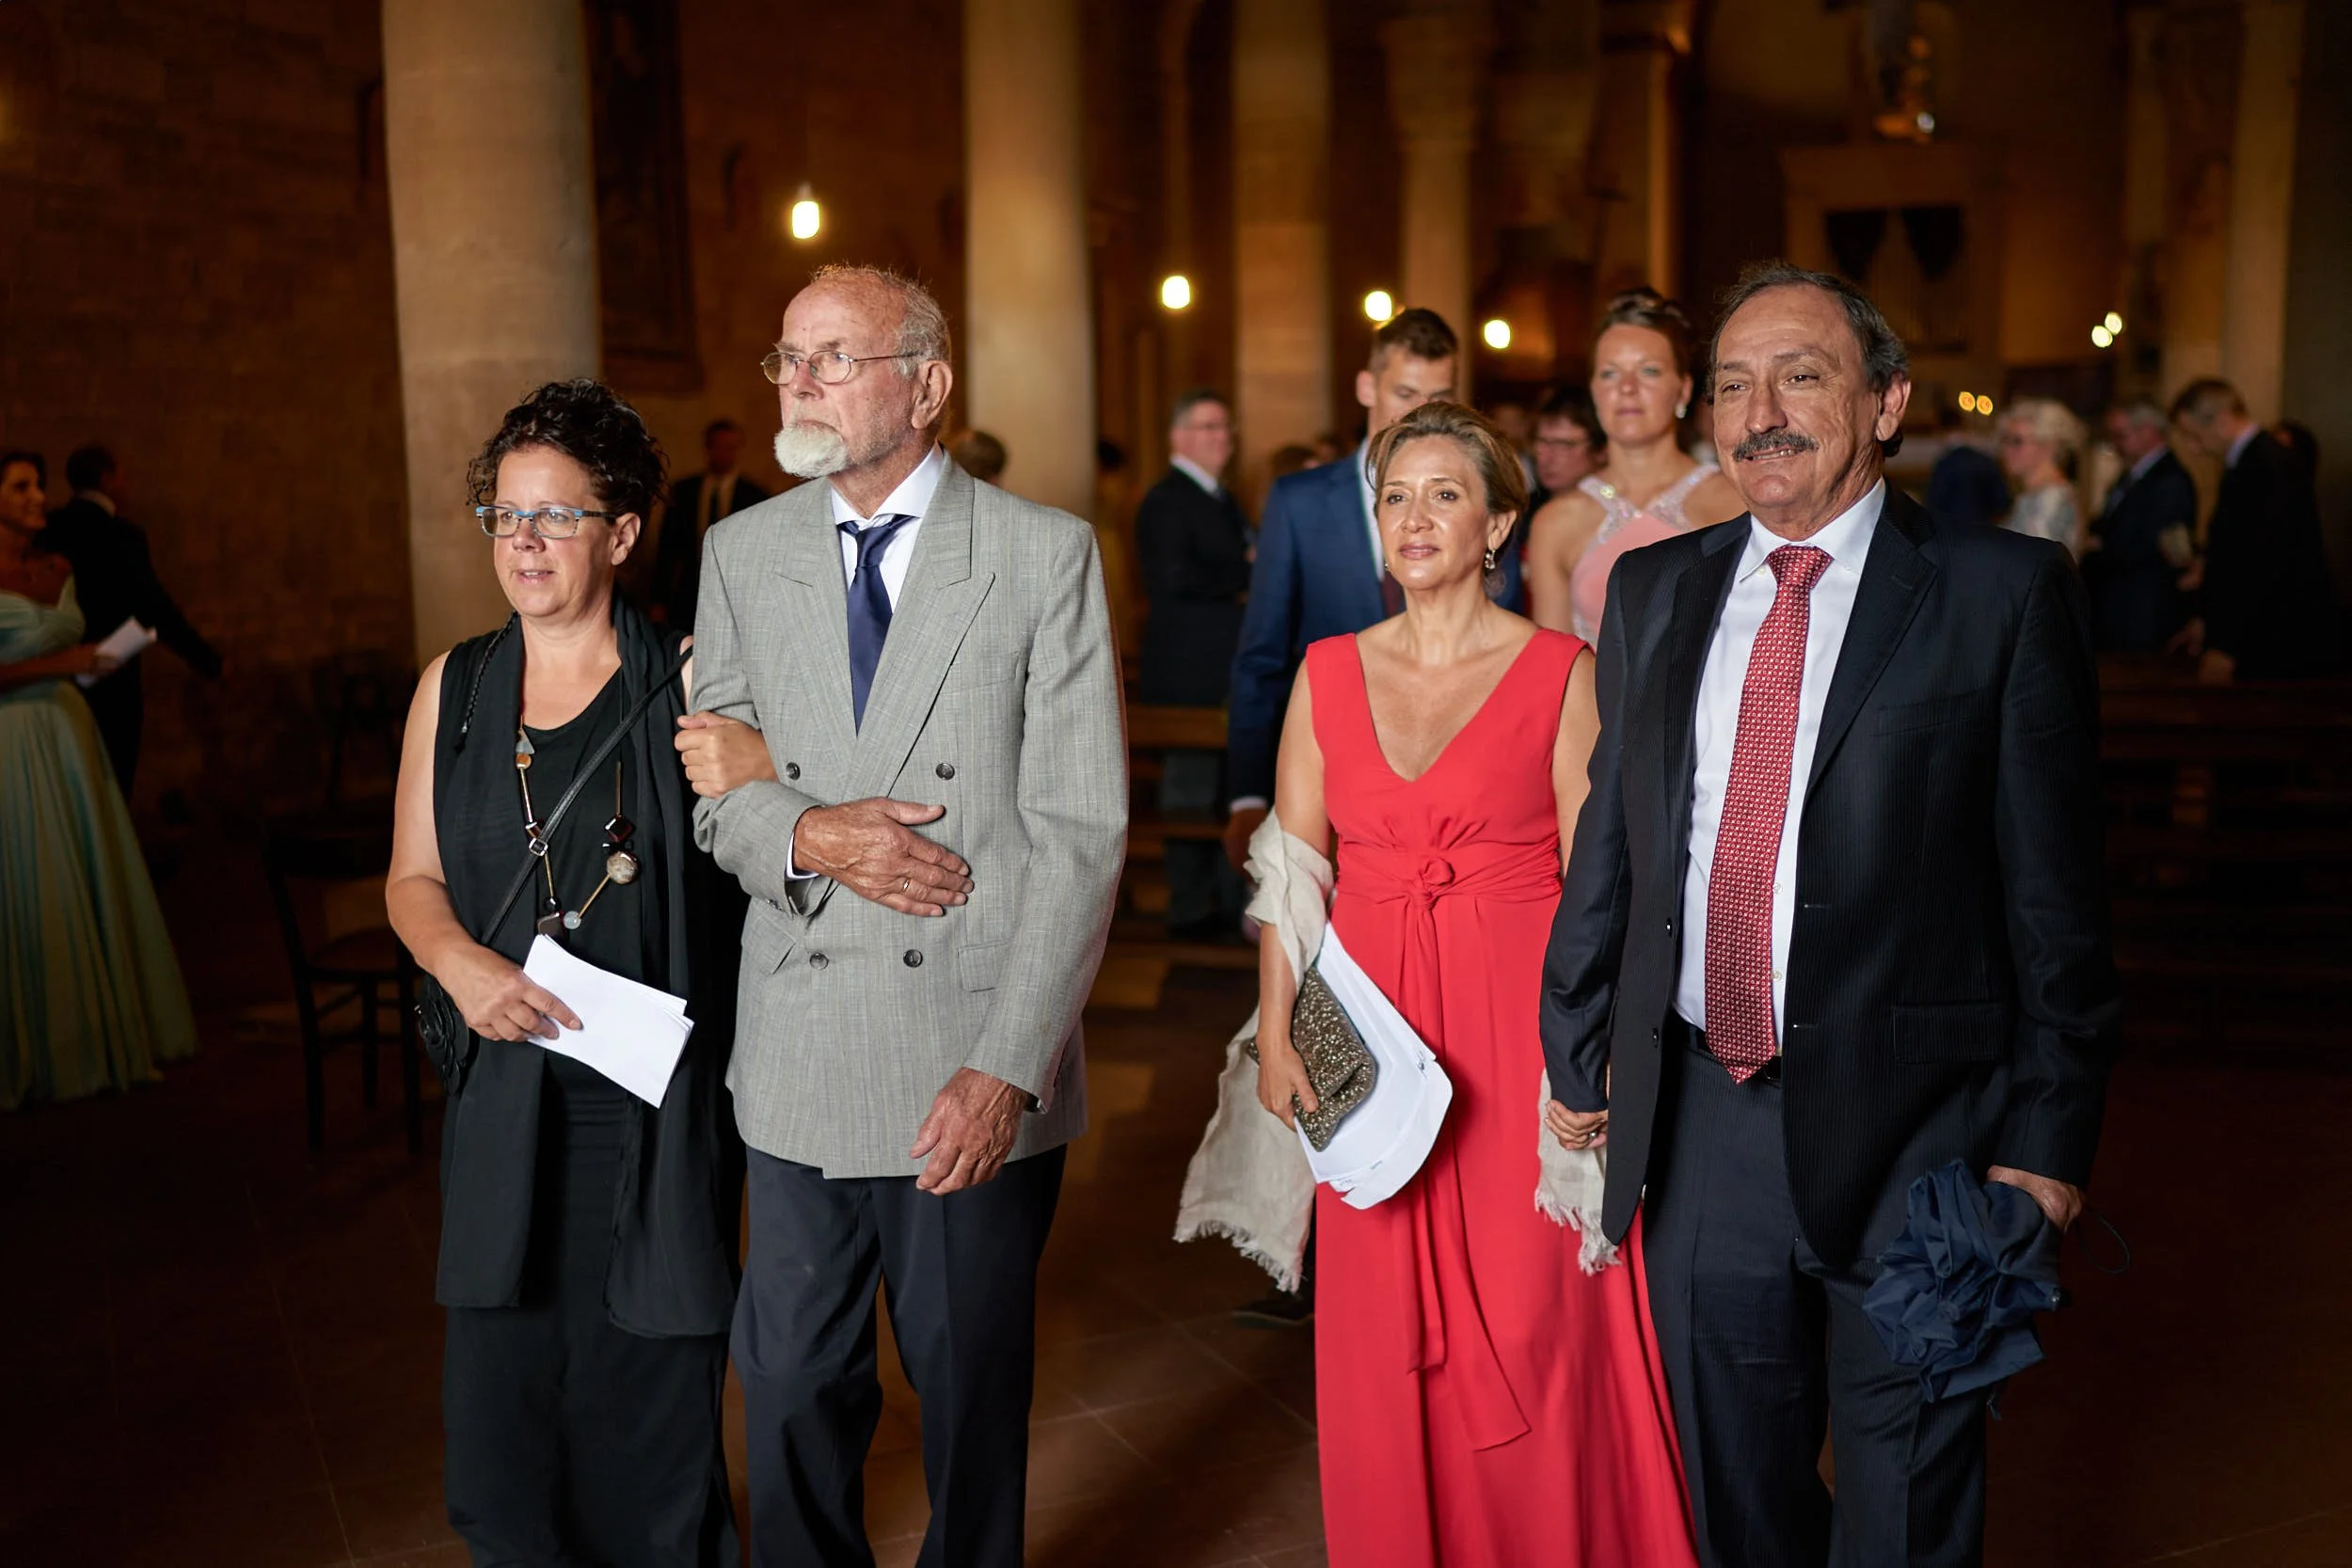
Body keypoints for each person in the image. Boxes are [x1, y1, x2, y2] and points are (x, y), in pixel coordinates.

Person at [1542, 261, 2120, 1568]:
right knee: (1732, 1505)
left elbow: (2060, 903)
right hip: (1704, 1124)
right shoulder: (1655, 589)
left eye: (1801, 376)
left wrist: (2047, 1145)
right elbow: (1617, 841)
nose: (1762, 414)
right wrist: (1575, 1049)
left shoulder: (2001, 591)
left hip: (1927, 1135)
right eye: (1734, 385)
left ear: (1887, 402)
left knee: (1906, 1513)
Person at [687, 263, 1124, 1568]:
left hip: (967, 1044)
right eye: (787, 357)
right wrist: (811, 831)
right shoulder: (741, 550)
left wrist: (1007, 1066)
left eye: (833, 356)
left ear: (926, 385)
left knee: (969, 1391)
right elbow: (716, 798)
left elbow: (1080, 832)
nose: (798, 382)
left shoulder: (1041, 552)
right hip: (800, 1044)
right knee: (791, 1390)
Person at [1252, 401, 1694, 1568]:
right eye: (1395, 496)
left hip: (1517, 1025)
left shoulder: (1559, 671)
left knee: (1535, 1307)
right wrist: (1275, 1030)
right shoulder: (1325, 670)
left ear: (1498, 522)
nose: (1413, 517)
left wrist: (1589, 1055)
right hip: (1371, 1033)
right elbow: (1293, 870)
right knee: (1382, 1324)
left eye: (1444, 494)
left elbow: (1600, 881)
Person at [386, 382, 759, 1566]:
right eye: (506, 515)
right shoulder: (452, 687)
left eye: (557, 515)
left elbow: (762, 863)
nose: (526, 541)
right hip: (505, 1092)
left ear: (623, 531)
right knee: (502, 1427)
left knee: (649, 1420)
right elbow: (411, 877)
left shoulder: (691, 681)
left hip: (651, 1107)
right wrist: (461, 965)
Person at [1224, 308, 1524, 874]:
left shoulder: (1480, 501)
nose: (1421, 413)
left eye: (1439, 396)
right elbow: (1262, 655)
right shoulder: (1299, 500)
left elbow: (1504, 639)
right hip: (1324, 772)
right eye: (1405, 393)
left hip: (1457, 785)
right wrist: (1247, 795)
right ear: (1367, 387)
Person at [2, 450, 199, 1108]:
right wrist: (64, 661)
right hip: (12, 739)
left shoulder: (57, 564)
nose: (38, 496)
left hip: (68, 730)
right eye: (21, 487)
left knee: (79, 879)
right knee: (27, 883)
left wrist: (92, 663)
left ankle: (91, 1033)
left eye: (38, 485)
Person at [1522, 289, 1745, 641]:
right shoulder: (1555, 522)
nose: (1627, 387)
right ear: (1594, 390)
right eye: (1610, 373)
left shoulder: (1734, 503)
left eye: (1649, 371)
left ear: (1684, 390)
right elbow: (1554, 664)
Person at [1136, 389, 1254, 941]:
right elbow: (1174, 578)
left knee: (1227, 788)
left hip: (1222, 665)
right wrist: (1247, 570)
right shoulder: (1168, 500)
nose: (1221, 437)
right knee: (1189, 790)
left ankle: (1226, 901)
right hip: (1188, 671)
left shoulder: (1221, 497)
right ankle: (1188, 907)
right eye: (1208, 427)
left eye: (1225, 427)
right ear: (1178, 436)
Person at [36, 443, 222, 791]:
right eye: (123, 476)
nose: (127, 485)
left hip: (56, 676)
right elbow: (154, 606)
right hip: (113, 676)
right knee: (112, 780)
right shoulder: (123, 536)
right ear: (106, 479)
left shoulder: (50, 528)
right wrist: (205, 658)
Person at [2171, 378, 2338, 680]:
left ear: (2222, 421)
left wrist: (2229, 645)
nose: (2194, 448)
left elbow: (2266, 562)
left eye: (2194, 436)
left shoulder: (2270, 464)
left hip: (2273, 640)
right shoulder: (2249, 462)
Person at [2084, 401, 2195, 652]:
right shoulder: (2132, 474)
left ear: (2147, 432)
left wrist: (2103, 547)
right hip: (2119, 602)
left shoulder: (2170, 480)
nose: (2114, 444)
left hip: (2142, 608)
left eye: (2120, 435)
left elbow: (2161, 546)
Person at [651, 418, 771, 632]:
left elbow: (762, 554)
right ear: (707, 448)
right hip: (690, 596)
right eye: (718, 446)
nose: (723, 454)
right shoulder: (684, 491)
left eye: (730, 447)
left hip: (738, 597)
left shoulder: (755, 496)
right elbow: (666, 549)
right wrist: (658, 600)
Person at [1997, 398, 2086, 554]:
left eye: (2017, 441)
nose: (2006, 449)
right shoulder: (2036, 495)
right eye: (2005, 440)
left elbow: (2036, 563)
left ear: (2049, 445)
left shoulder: (2051, 499)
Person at [1923, 399, 2010, 530]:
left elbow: (1933, 506)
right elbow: (2002, 503)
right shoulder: (1986, 461)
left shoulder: (1944, 465)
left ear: (1940, 431)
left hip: (1954, 534)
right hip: (1985, 532)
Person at [1528, 381, 1606, 520]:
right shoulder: (1522, 512)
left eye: (1564, 445)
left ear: (1601, 451)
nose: (1547, 457)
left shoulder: (1618, 512)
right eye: (1542, 441)